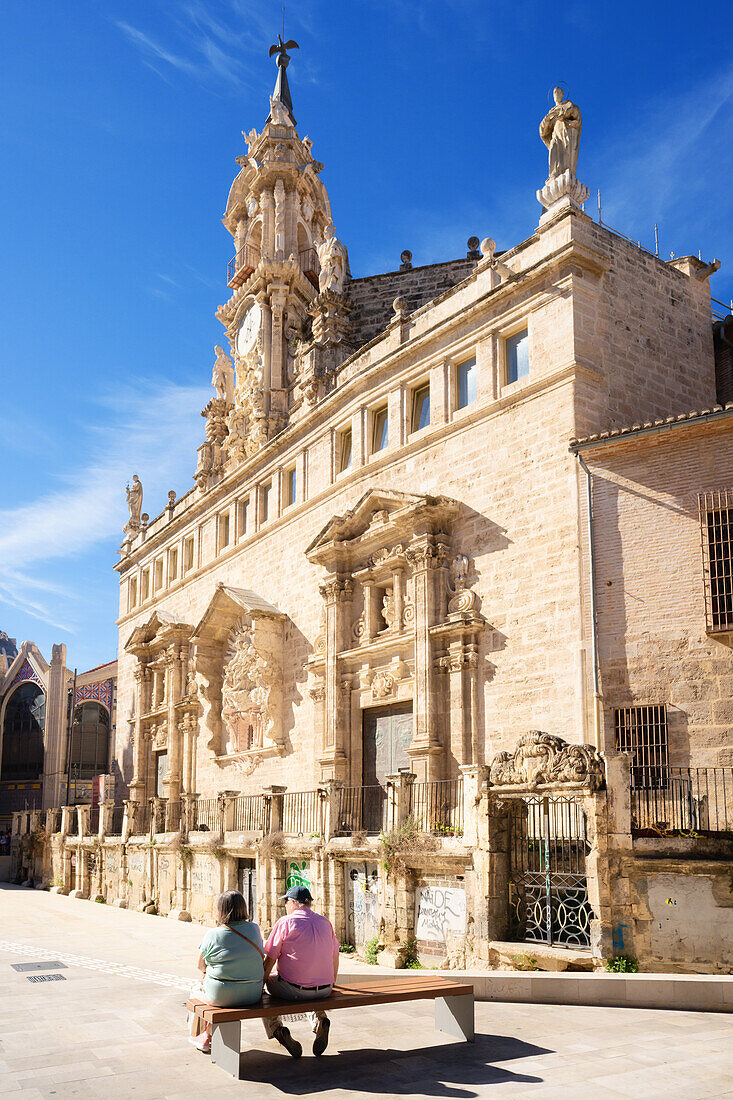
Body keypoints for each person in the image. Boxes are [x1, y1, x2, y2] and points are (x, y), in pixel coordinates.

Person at [262, 885, 340, 1058]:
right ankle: (320, 1020)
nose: (285, 906)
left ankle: (277, 1029)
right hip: (325, 989)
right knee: (306, 981)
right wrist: (332, 982)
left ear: (293, 903)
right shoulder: (325, 922)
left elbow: (270, 959)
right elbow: (335, 955)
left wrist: (259, 982)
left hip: (294, 990)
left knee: (266, 986)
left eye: (286, 902)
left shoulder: (285, 922)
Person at [190, 890, 264, 1054]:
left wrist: (208, 972)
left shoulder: (214, 934)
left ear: (221, 910)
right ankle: (206, 1035)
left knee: (196, 991)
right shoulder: (254, 928)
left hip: (222, 996)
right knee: (211, 986)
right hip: (253, 993)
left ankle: (202, 1036)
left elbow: (200, 966)